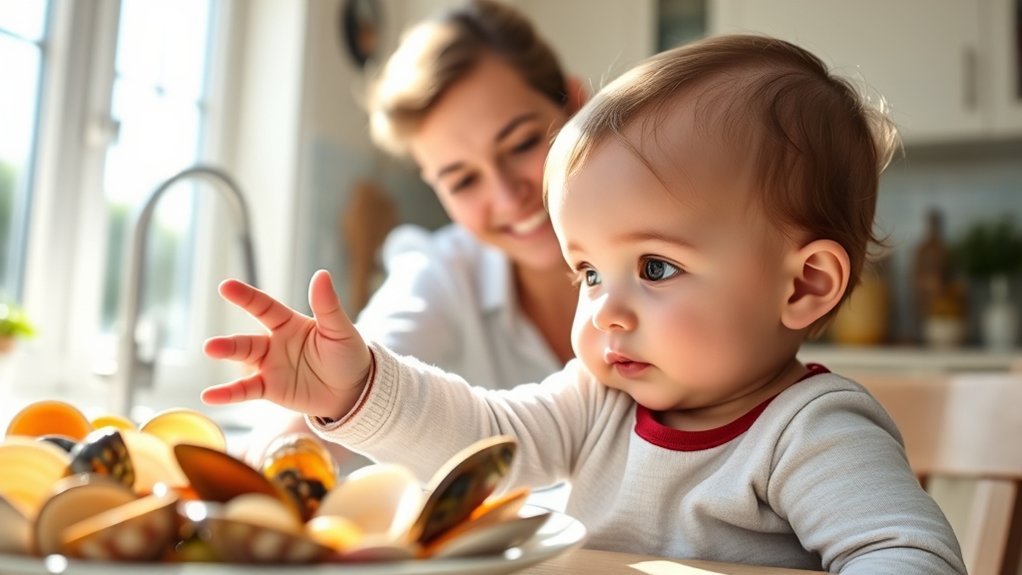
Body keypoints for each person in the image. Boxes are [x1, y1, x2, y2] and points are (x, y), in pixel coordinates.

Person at [202, 34, 966, 573]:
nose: (605, 311)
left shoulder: (813, 430)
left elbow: (905, 554)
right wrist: (357, 387)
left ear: (804, 285)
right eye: (589, 273)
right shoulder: (598, 400)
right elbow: (477, 438)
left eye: (656, 267)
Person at [240, 0, 585, 465]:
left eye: (522, 143)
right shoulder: (440, 273)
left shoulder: (677, 241)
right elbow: (345, 388)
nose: (507, 198)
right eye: (463, 180)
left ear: (577, 103)